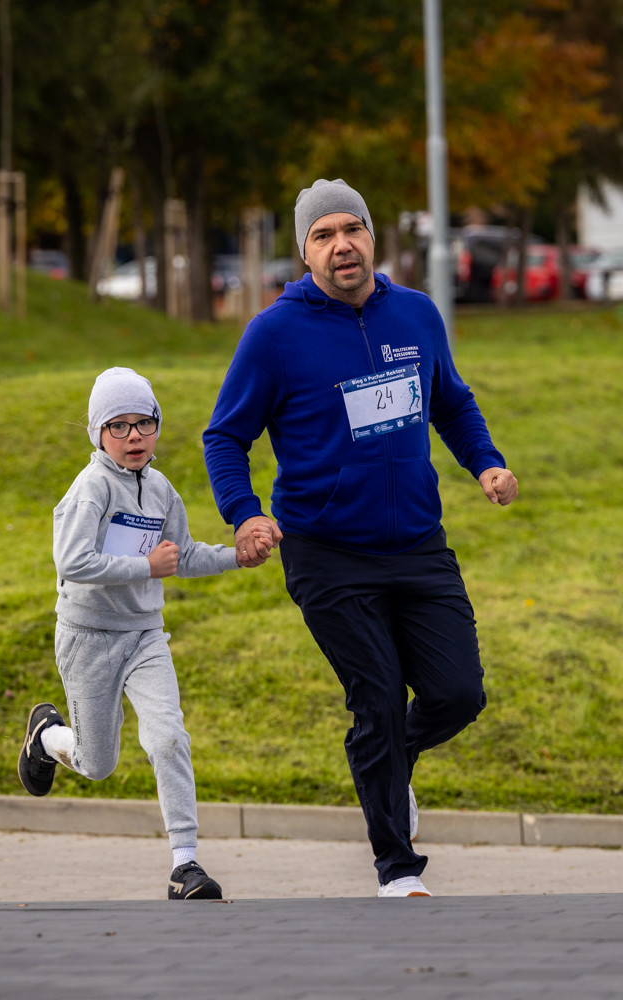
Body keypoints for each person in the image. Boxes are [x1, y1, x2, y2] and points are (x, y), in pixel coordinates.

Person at [203, 179, 518, 898]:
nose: (341, 245)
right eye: (323, 235)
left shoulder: (416, 313)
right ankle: (397, 868)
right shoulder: (274, 334)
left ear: (372, 238)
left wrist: (487, 463)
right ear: (304, 251)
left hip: (417, 542)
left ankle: (388, 767)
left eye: (353, 229)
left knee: (458, 694)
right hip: (327, 551)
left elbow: (452, 402)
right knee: (375, 698)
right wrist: (244, 513)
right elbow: (225, 435)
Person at [16, 367, 274, 900]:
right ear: (98, 433)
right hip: (87, 636)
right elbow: (72, 562)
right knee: (97, 764)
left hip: (144, 636)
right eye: (118, 426)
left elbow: (183, 556)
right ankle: (46, 737)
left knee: (169, 738)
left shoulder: (160, 490)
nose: (133, 436)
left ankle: (186, 865)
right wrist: (145, 568)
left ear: (157, 426)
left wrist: (237, 557)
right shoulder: (91, 489)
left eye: (144, 423)